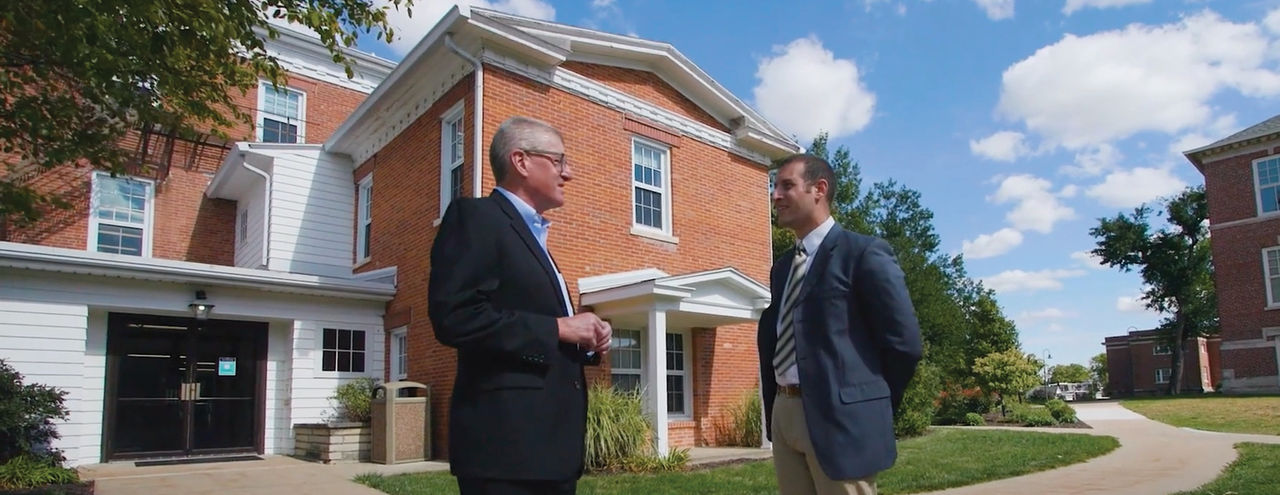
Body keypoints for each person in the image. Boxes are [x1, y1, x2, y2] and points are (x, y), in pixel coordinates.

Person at [428, 116, 612, 495]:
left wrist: (584, 336)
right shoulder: (476, 218)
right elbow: (455, 317)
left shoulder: (536, 236)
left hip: (552, 454)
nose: (569, 173)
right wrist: (558, 328)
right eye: (559, 161)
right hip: (505, 455)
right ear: (521, 161)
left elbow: (536, 327)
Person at [757, 153, 923, 495]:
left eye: (786, 185)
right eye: (775, 186)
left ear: (819, 189)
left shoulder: (864, 254)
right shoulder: (783, 268)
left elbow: (904, 344)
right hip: (785, 411)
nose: (775, 195)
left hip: (840, 418)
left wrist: (866, 404)